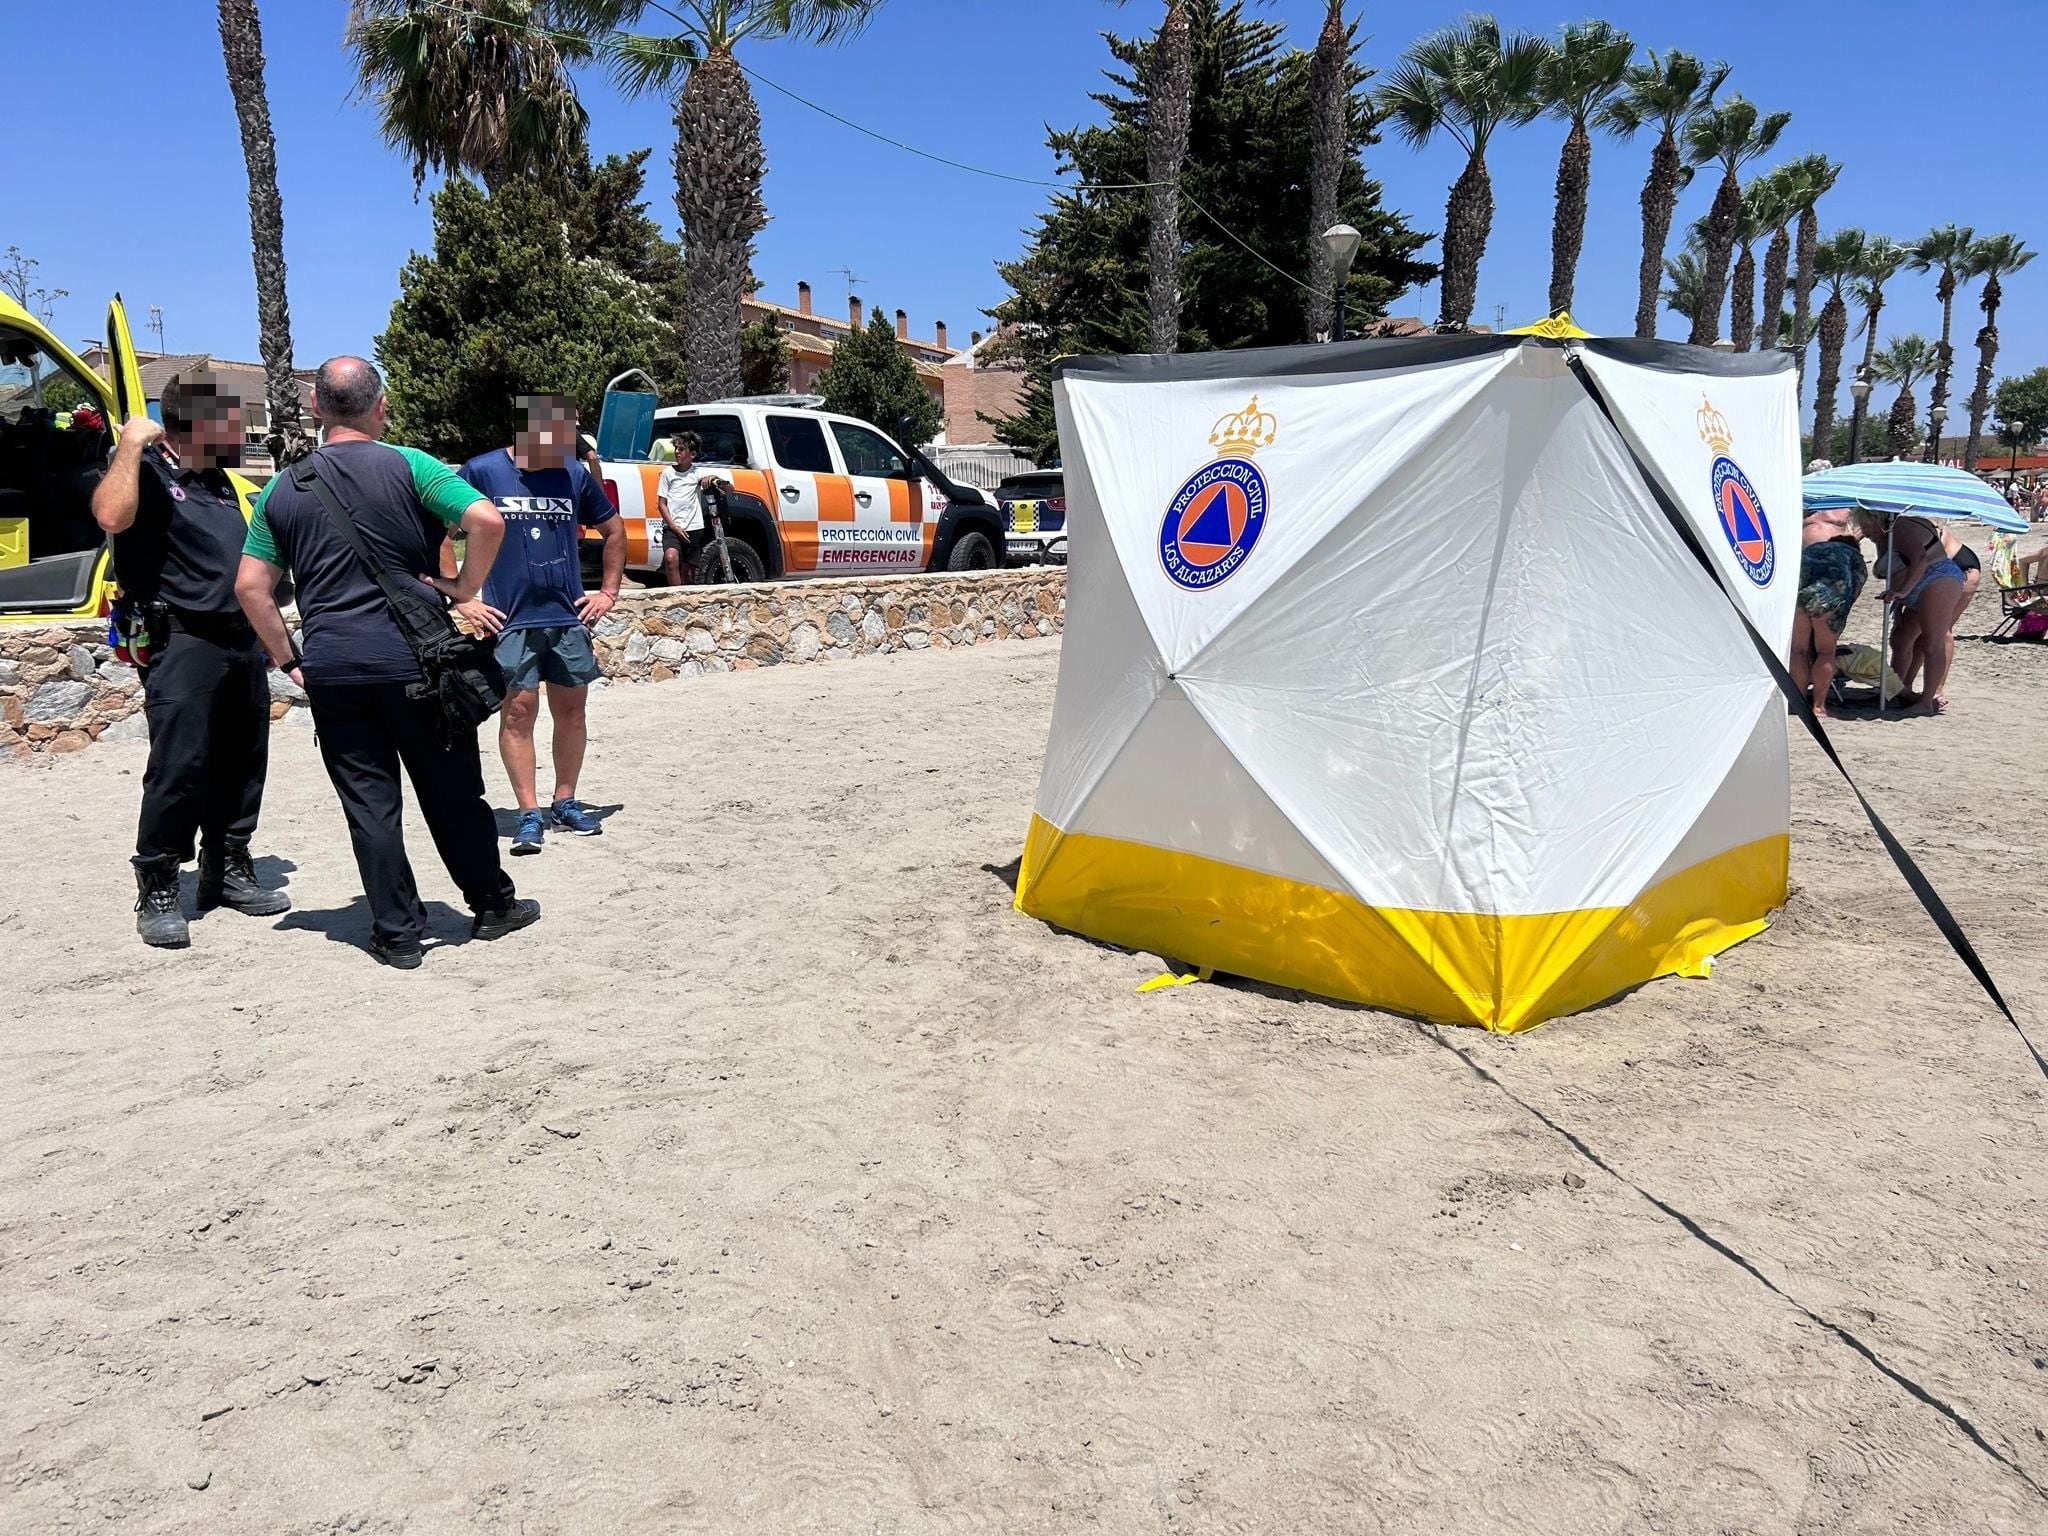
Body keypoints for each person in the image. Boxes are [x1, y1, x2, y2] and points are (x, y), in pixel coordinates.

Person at [234, 357, 539, 968]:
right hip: (418, 664)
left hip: (336, 671)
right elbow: (485, 519)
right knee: (453, 792)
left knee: (370, 806)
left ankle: (397, 934)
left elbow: (250, 587)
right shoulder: (410, 464)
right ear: (382, 407)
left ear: (316, 409)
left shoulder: (280, 488)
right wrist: (461, 589)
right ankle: (491, 904)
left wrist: (290, 660)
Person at [90, 373, 289, 948]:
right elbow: (108, 516)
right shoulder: (147, 471)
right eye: (229, 422)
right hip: (181, 637)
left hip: (237, 638)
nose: (238, 433)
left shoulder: (220, 482)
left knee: (243, 759)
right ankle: (157, 883)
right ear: (189, 426)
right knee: (181, 764)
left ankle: (226, 868)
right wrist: (129, 444)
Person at [455, 395, 623, 855]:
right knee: (517, 714)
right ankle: (528, 812)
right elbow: (439, 534)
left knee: (571, 712)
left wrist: (608, 591)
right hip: (510, 621)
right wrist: (463, 597)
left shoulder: (571, 473)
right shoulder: (482, 472)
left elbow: (614, 530)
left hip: (566, 618)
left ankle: (564, 801)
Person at [1877, 513, 1969, 716]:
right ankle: (1897, 690)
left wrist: (1903, 592)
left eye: (1865, 527)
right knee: (1900, 639)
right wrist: (1900, 599)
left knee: (1932, 642)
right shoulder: (1884, 533)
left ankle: (1926, 701)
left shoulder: (1901, 527)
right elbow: (1896, 568)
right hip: (1916, 584)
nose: (1865, 532)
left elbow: (1920, 558)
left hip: (1938, 578)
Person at [1790, 502, 1867, 717]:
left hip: (1800, 594)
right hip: (1829, 598)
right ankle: (1818, 706)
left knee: (1798, 650)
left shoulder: (1814, 548)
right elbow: (1854, 586)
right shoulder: (1853, 556)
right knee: (1826, 651)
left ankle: (1797, 702)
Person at [654, 430, 716, 586]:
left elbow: (730, 488)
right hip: (672, 527)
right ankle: (675, 595)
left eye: (681, 449)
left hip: (693, 528)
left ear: (692, 454)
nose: (677, 452)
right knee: (671, 558)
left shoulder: (698, 473)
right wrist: (674, 527)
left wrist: (713, 478)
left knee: (689, 572)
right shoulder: (668, 473)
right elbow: (662, 504)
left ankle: (687, 598)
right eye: (676, 448)